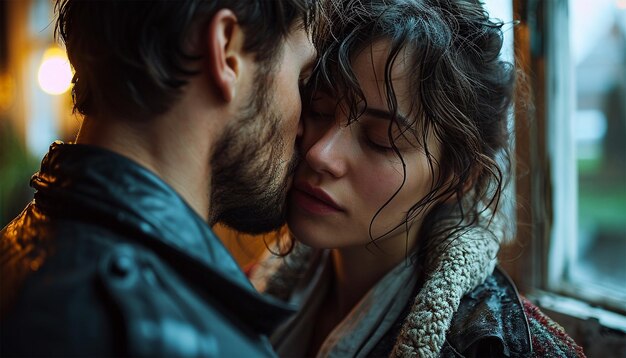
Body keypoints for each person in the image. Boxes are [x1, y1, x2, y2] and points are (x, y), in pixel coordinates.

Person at [248, 0, 586, 357]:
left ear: (456, 179)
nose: (320, 153)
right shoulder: (257, 286)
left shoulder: (493, 346)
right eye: (318, 110)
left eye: (382, 141)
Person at [0, 0, 319, 356]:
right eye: (301, 78)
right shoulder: (186, 341)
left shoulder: (18, 251)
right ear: (227, 50)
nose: (306, 128)